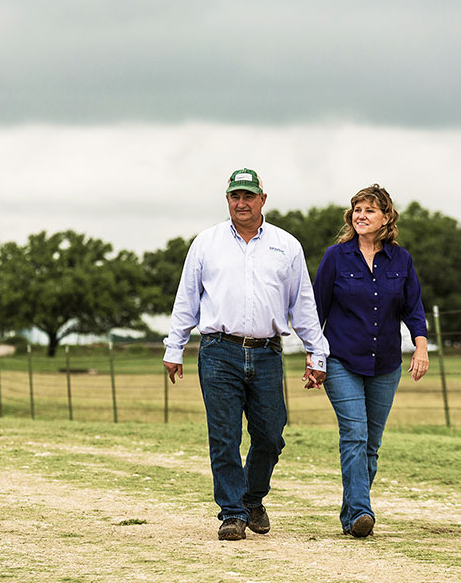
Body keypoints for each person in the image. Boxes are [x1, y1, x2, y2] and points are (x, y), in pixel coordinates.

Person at [163, 168, 329, 541]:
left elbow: (303, 305)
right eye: (235, 196)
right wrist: (174, 347)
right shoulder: (206, 243)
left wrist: (316, 353)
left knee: (270, 435)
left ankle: (253, 498)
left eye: (248, 196)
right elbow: (186, 300)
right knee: (224, 436)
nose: (242, 203)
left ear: (262, 200)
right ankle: (233, 513)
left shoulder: (287, 245)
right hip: (219, 350)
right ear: (228, 200)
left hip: (267, 351)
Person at [312, 184, 429, 538]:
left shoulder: (401, 259)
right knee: (355, 435)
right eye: (357, 210)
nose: (361, 216)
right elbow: (315, 311)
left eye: (370, 210)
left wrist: (421, 347)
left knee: (371, 445)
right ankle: (362, 512)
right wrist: (313, 358)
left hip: (387, 364)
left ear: (386, 218)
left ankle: (352, 514)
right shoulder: (336, 256)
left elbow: (414, 309)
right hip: (341, 361)